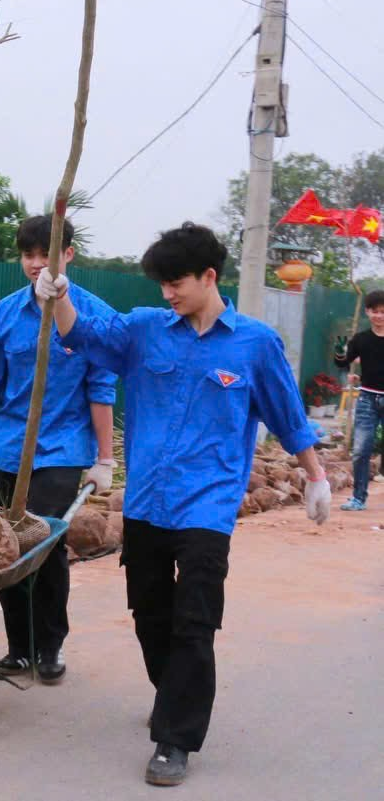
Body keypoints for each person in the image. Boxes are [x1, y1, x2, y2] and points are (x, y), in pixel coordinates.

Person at [36, 221, 331, 787]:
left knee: (195, 621)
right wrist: (61, 299)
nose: (167, 293)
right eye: (162, 284)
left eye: (176, 283)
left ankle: (175, 737)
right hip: (147, 502)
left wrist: (315, 477)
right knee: (150, 616)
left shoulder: (255, 344)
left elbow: (287, 415)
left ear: (209, 276)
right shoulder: (146, 329)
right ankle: (171, 693)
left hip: (208, 508)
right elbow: (88, 339)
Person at [0, 215, 119, 685]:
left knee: (44, 540)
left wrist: (104, 458)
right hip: (8, 450)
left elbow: (101, 390)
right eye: (28, 256)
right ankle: (19, 647)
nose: (36, 265)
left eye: (46, 255)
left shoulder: (94, 314)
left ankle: (50, 643)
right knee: (4, 542)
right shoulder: (4, 314)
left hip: (62, 449)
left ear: (68, 255)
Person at [333, 289, 384, 510]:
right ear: (367, 312)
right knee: (361, 449)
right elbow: (342, 363)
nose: (379, 316)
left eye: (383, 312)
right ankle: (358, 497)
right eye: (375, 311)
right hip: (367, 399)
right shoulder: (361, 339)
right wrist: (339, 352)